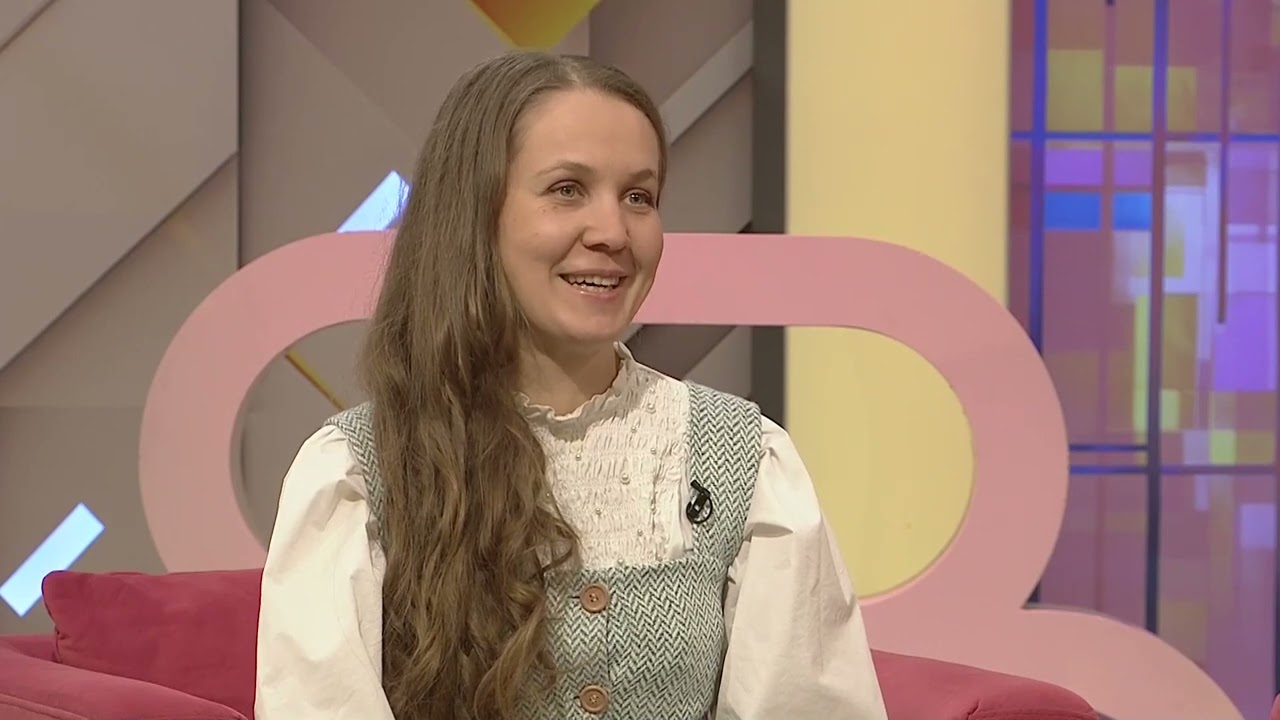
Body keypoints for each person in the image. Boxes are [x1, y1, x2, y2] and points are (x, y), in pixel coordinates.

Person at [253, 50, 887, 720]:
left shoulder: (742, 460)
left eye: (639, 197)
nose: (613, 233)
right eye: (567, 190)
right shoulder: (359, 471)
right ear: (474, 215)